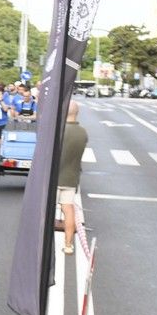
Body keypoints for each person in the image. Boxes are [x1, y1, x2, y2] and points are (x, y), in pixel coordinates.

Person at [58, 100, 89, 256]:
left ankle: (41, 244)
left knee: (45, 211)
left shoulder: (59, 131)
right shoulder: (83, 133)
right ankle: (68, 245)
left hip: (54, 178)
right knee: (68, 210)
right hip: (71, 177)